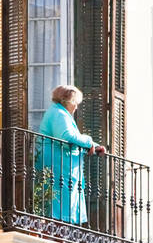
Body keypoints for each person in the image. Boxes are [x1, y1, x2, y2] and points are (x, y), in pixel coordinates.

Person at [35, 86, 105, 224]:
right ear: (68, 101)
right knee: (58, 212)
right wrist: (89, 141)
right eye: (75, 103)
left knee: (61, 210)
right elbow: (67, 137)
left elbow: (74, 137)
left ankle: (61, 236)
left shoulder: (59, 113)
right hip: (58, 168)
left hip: (61, 169)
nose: (76, 107)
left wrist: (94, 146)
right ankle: (59, 238)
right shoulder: (59, 114)